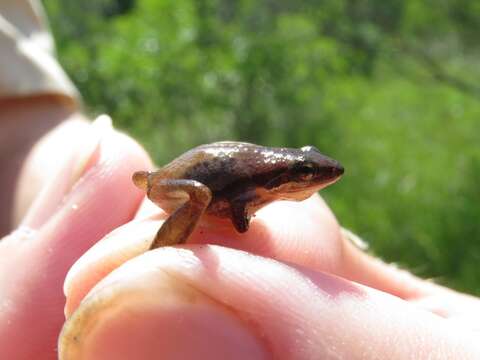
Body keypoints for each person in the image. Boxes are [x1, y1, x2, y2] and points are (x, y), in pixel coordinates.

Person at [1, 1, 479, 359]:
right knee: (205, 200)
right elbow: (240, 214)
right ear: (291, 175)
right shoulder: (259, 186)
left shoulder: (269, 181)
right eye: (307, 173)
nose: (320, 177)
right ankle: (164, 253)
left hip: (172, 178)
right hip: (177, 186)